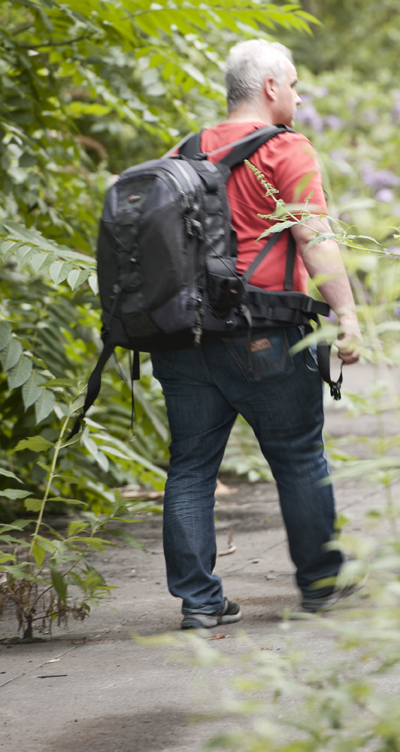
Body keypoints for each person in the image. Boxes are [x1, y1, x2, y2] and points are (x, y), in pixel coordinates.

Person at [151, 39, 363, 629]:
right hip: (265, 333)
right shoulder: (286, 148)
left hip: (185, 338)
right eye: (294, 84)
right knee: (298, 457)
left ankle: (200, 602)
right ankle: (321, 587)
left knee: (191, 466)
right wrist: (346, 313)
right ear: (271, 87)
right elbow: (313, 235)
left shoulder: (183, 151)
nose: (298, 95)